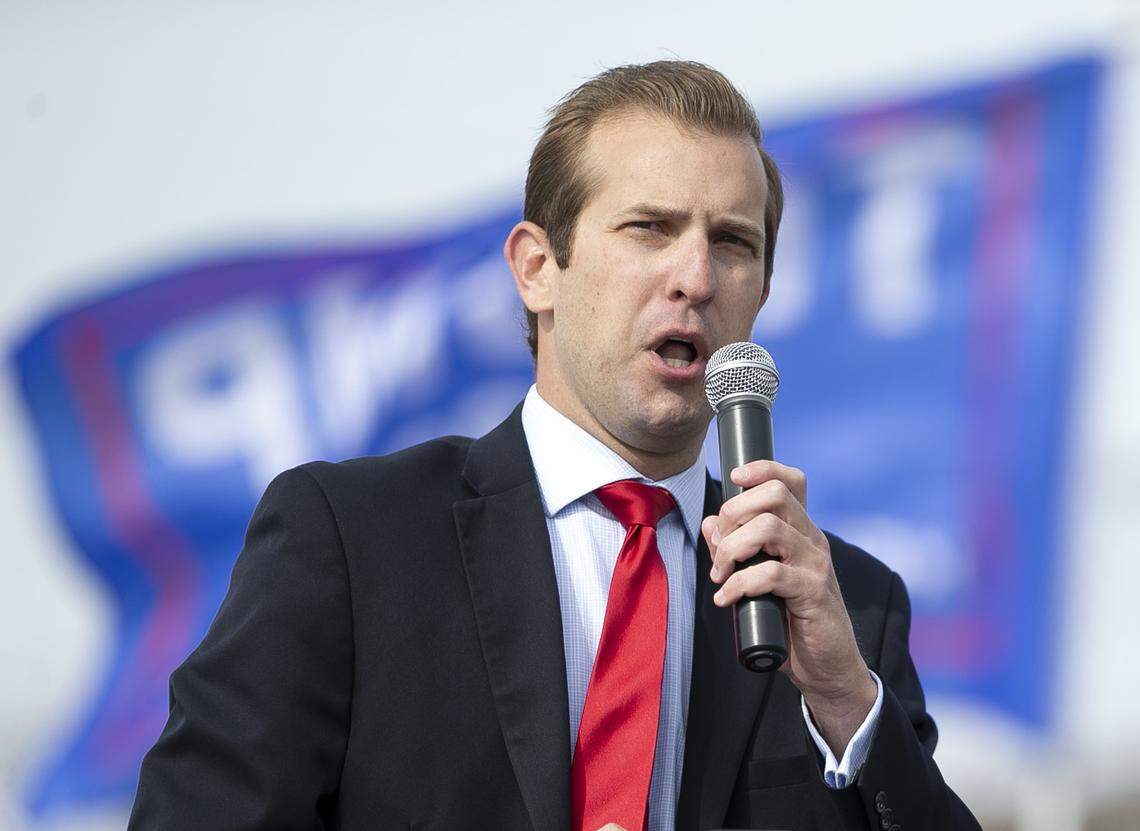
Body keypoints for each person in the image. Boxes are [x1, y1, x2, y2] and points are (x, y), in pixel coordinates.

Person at [129, 61, 981, 831]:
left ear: (761, 289)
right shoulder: (352, 541)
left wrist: (841, 696)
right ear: (537, 267)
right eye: (649, 228)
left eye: (733, 242)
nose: (696, 275)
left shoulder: (845, 609)